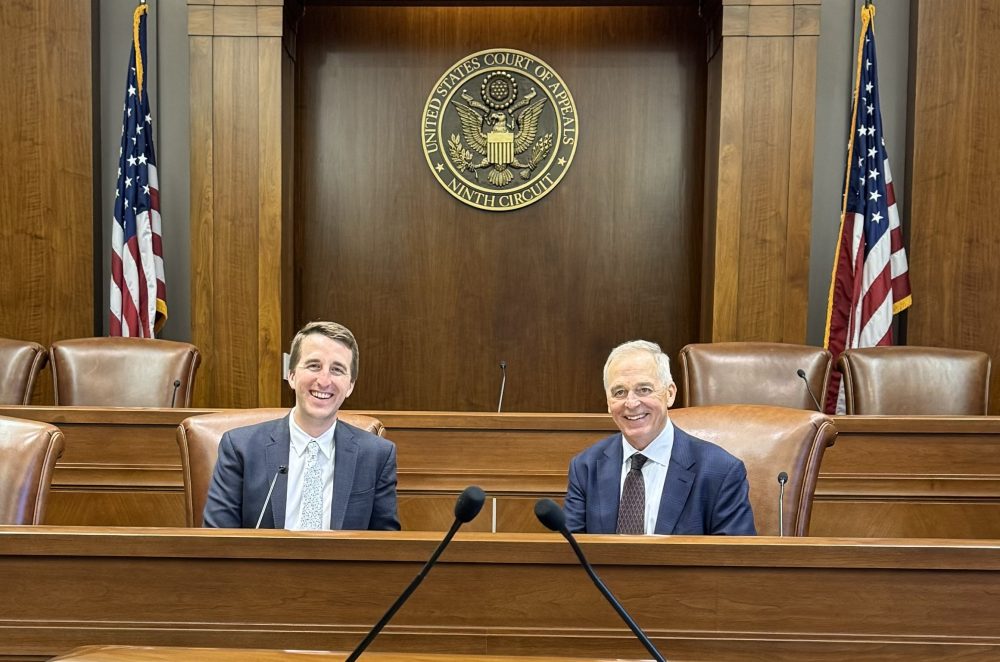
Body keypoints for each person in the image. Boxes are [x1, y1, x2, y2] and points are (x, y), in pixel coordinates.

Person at [203, 321, 400, 530]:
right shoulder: (240, 448)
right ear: (292, 375)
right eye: (314, 365)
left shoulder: (376, 455)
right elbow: (218, 541)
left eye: (337, 369)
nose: (324, 381)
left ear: (350, 385)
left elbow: (385, 547)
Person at [563, 340, 755, 535]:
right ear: (608, 402)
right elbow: (568, 556)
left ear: (669, 394)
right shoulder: (585, 467)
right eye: (619, 392)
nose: (631, 403)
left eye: (644, 389)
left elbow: (737, 561)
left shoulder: (720, 471)